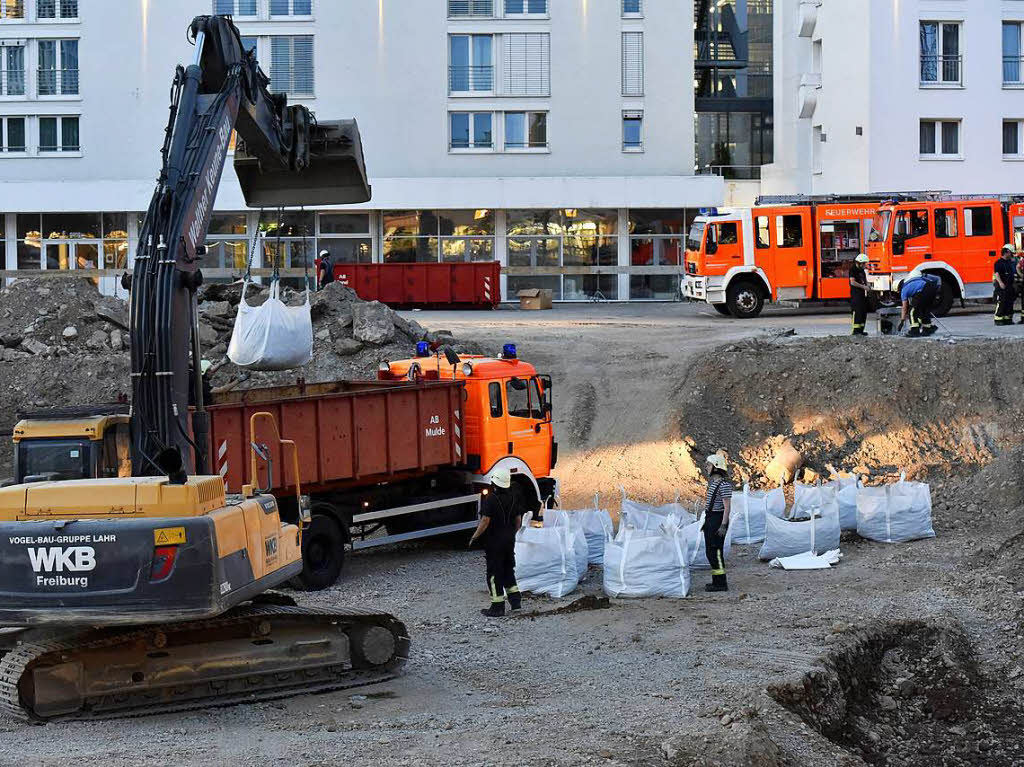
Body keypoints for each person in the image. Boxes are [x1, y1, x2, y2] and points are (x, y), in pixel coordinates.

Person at [468, 467, 522, 617]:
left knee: (494, 573)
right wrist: (512, 534)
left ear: (494, 482)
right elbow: (518, 520)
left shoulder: (491, 499)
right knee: (508, 570)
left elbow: (485, 521)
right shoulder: (513, 497)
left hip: (495, 542)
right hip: (509, 540)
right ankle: (516, 602)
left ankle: (497, 607)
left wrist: (474, 537)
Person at [702, 454, 732, 593]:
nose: (707, 467)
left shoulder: (724, 485)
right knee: (710, 552)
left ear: (716, 467)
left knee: (716, 552)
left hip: (718, 519)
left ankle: (721, 583)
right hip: (711, 518)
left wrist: (723, 525)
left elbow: (727, 507)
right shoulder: (714, 484)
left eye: (709, 465)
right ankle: (716, 581)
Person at [899, 272, 941, 337]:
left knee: (912, 311)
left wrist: (902, 320)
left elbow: (904, 307)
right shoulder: (911, 282)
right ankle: (927, 328)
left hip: (924, 289)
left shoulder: (904, 290)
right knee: (924, 310)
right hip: (932, 288)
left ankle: (914, 330)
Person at [994, 244, 1017, 326]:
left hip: (1009, 285)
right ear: (1006, 252)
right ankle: (998, 319)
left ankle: (1008, 319)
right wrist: (1000, 283)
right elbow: (996, 274)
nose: (1012, 255)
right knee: (1002, 302)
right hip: (1002, 285)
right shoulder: (998, 263)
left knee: (1009, 302)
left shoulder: (1009, 262)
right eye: (1011, 253)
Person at [848, 253, 871, 336]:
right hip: (856, 295)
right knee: (857, 312)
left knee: (863, 312)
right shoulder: (853, 269)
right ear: (860, 263)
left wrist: (868, 285)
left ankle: (861, 330)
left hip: (862, 295)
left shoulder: (862, 270)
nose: (866, 265)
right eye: (865, 263)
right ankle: (856, 331)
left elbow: (864, 280)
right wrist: (863, 287)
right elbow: (852, 282)